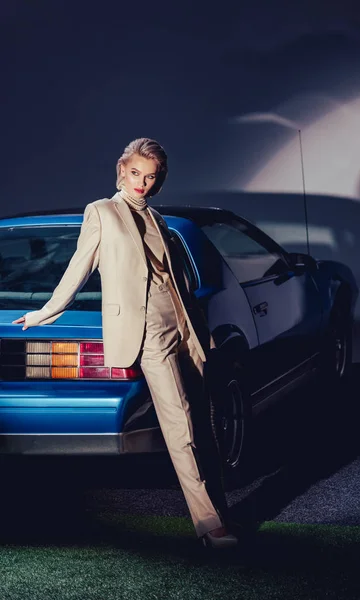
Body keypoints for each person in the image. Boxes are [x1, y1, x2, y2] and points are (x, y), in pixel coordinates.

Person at [12, 137, 238, 549]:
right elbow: (79, 266)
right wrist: (47, 311)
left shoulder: (159, 219)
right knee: (181, 425)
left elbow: (176, 279)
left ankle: (220, 511)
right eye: (136, 174)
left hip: (184, 328)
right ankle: (211, 526)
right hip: (148, 331)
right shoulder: (101, 213)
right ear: (121, 171)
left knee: (203, 426)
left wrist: (196, 327)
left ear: (159, 181)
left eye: (151, 177)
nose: (142, 183)